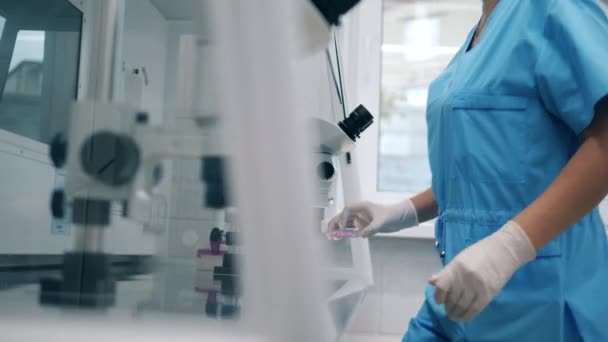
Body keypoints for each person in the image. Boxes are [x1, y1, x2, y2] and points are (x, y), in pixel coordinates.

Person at [327, 0, 608, 340]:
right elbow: (488, 173)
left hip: (539, 301)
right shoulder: (478, 35)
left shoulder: (553, 9)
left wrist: (507, 248)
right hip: (456, 294)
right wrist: (400, 212)